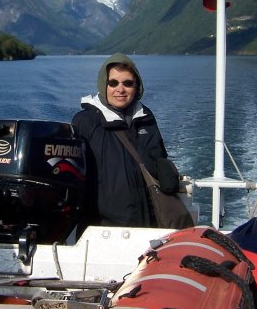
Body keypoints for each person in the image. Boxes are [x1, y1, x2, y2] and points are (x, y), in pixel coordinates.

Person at [72, 53, 178, 227]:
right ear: (103, 84)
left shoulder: (145, 117)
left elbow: (157, 156)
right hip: (100, 225)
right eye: (113, 83)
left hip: (146, 222)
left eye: (128, 83)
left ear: (137, 87)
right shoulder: (85, 121)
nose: (120, 89)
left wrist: (165, 170)